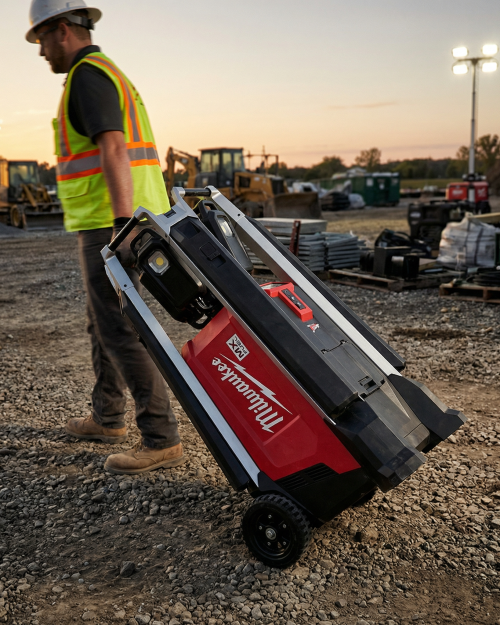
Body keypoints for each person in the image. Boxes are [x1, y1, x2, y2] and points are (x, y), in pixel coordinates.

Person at [26, 0, 185, 475]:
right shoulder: (104, 72)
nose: (41, 54)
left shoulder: (87, 76)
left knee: (118, 325)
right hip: (120, 217)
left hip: (110, 220)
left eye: (41, 41)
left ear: (61, 30)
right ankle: (108, 415)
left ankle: (161, 437)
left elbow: (113, 145)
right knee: (102, 319)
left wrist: (120, 224)